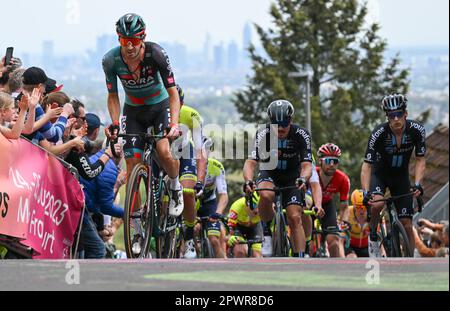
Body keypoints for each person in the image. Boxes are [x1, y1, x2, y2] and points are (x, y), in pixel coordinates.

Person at [103, 13, 183, 218]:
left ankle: (175, 186)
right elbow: (113, 96)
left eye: (135, 40)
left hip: (159, 106)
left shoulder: (156, 53)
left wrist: (174, 124)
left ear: (143, 38)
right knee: (132, 169)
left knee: (163, 150)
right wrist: (114, 122)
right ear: (118, 39)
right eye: (124, 40)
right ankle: (136, 223)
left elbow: (173, 92)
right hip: (134, 111)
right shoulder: (110, 60)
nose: (129, 46)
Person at [243, 99, 313, 258]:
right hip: (270, 173)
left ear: (291, 121)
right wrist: (248, 180)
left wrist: (303, 178)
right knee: (266, 194)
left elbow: (307, 165)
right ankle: (266, 231)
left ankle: (300, 257)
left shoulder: (301, 134)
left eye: (284, 124)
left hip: (292, 177)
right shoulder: (263, 133)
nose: (280, 129)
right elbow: (250, 162)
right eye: (276, 125)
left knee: (295, 217)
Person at [361, 93, 426, 258]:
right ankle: (373, 234)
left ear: (406, 113)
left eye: (399, 114)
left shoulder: (417, 130)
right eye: (391, 115)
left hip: (401, 177)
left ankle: (410, 259)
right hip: (380, 175)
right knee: (376, 205)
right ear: (387, 117)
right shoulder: (378, 133)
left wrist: (418, 183)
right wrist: (365, 192)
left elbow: (420, 159)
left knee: (407, 223)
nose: (396, 119)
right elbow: (367, 165)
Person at [175, 85, 208, 259]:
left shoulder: (191, 115)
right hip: (162, 152)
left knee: (188, 193)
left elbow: (200, 152)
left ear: (182, 102)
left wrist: (200, 180)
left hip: (184, 151)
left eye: (177, 103)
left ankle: (188, 237)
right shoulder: (155, 110)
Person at [316, 143, 350, 258]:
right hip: (311, 205)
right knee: (307, 238)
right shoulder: (312, 174)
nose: (331, 165)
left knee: (334, 241)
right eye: (328, 160)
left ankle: (336, 269)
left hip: (327, 205)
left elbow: (344, 207)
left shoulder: (343, 179)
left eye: (335, 161)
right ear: (320, 161)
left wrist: (344, 222)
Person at [193, 154, 229, 258]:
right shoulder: (189, 166)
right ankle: (194, 249)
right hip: (192, 202)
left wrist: (218, 212)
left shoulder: (216, 166)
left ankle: (223, 268)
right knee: (193, 230)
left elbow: (223, 194)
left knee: (214, 240)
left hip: (209, 203)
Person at [227, 192, 263, 258]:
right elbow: (230, 228)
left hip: (255, 227)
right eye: (254, 205)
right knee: (240, 252)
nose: (257, 210)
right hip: (239, 227)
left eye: (259, 206)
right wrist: (231, 237)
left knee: (257, 255)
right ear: (247, 204)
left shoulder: (263, 209)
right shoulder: (236, 207)